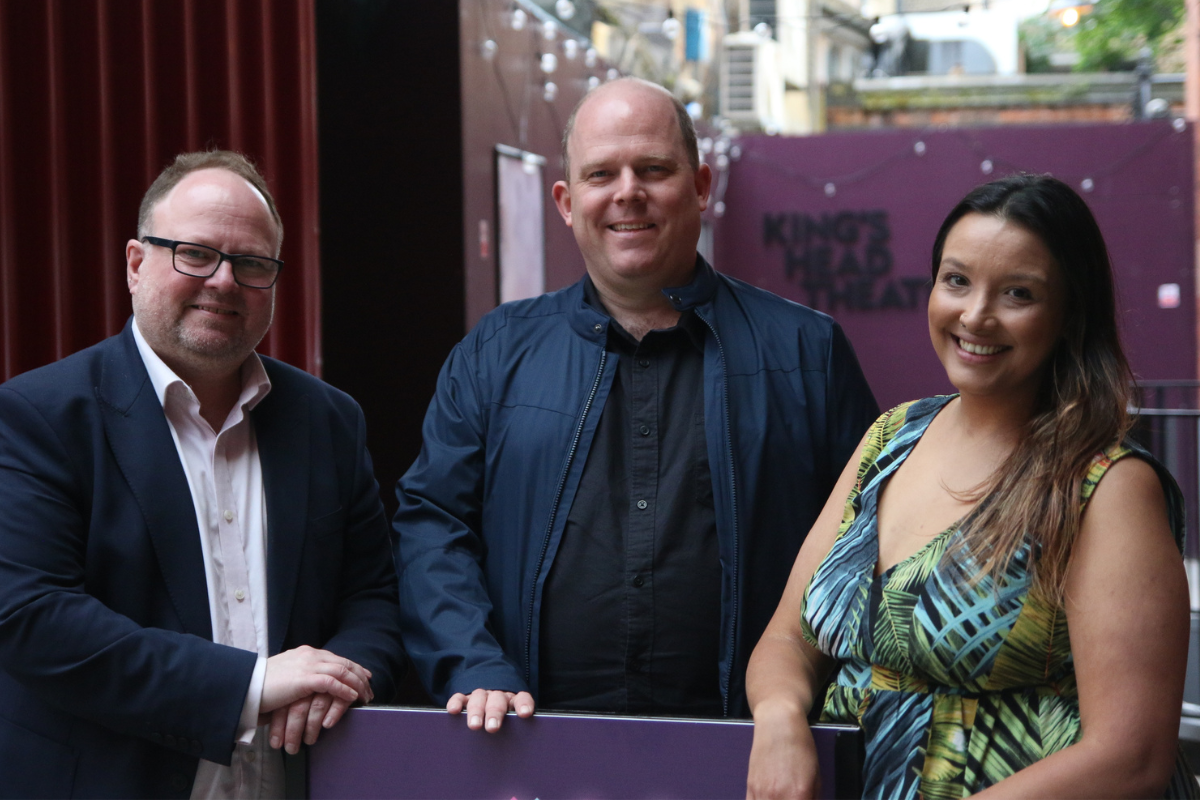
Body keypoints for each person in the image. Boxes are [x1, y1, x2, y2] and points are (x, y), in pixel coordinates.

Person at [394, 77, 878, 733]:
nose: (628, 191)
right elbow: (432, 524)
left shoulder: (808, 352)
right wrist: (472, 663)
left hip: (748, 750)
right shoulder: (494, 355)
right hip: (530, 742)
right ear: (567, 201)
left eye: (653, 169)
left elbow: (866, 547)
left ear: (702, 185)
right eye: (602, 174)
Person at [745, 174, 1196, 798]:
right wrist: (778, 719)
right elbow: (787, 637)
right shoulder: (889, 437)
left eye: (1018, 293)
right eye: (956, 280)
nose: (975, 315)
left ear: (1068, 315)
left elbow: (1131, 757)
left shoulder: (1105, 487)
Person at [0, 151, 405, 799]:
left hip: (294, 780)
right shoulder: (37, 415)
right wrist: (251, 686)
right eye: (195, 253)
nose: (223, 281)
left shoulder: (329, 421)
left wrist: (341, 677)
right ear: (136, 264)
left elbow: (373, 598)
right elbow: (32, 618)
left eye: (251, 263)